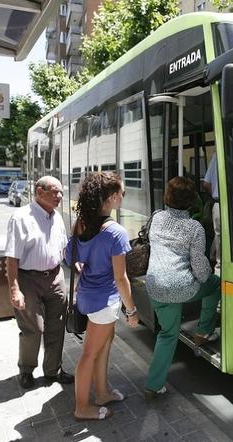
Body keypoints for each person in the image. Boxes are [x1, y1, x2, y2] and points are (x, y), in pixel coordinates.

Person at [66, 172, 139, 420]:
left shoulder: (82, 223)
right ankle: (82, 407)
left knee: (103, 347)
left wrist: (81, 264)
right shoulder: (116, 232)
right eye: (120, 192)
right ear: (110, 197)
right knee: (89, 354)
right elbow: (121, 278)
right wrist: (132, 311)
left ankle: (103, 392)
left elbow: (70, 257)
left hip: (86, 296)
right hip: (103, 302)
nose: (122, 196)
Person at [145, 177, 221, 400]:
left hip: (155, 285)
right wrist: (208, 277)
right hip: (182, 287)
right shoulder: (194, 227)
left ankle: (153, 385)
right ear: (192, 202)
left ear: (166, 197)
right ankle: (203, 331)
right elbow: (200, 268)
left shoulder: (157, 218)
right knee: (215, 284)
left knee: (168, 334)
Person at [5, 176, 73, 389]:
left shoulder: (57, 218)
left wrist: (74, 264)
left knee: (57, 325)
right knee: (33, 328)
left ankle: (53, 370)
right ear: (39, 192)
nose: (59, 196)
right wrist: (14, 289)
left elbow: (63, 247)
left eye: (61, 192)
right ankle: (26, 369)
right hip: (28, 279)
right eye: (55, 192)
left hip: (55, 276)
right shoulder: (21, 218)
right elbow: (12, 258)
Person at [203, 152, 220, 276]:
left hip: (218, 205)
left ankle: (218, 272)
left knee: (219, 238)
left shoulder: (216, 155)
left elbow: (206, 184)